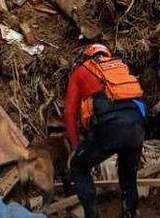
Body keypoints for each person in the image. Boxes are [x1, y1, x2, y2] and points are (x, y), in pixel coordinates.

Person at [65, 44, 146, 218]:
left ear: (87, 56)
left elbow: (70, 112)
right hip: (137, 126)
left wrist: (75, 146)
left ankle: (92, 215)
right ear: (107, 55)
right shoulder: (121, 68)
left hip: (110, 127)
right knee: (128, 173)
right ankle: (130, 213)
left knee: (78, 166)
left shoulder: (81, 71)